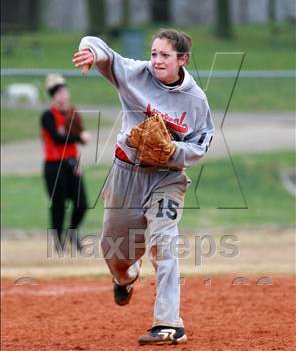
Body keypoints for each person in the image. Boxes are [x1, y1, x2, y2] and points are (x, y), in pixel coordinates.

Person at [72, 29, 214, 345]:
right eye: (154, 53)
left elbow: (203, 142)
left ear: (182, 59)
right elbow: (99, 45)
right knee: (114, 251)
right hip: (126, 173)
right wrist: (91, 52)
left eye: (165, 55)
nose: (157, 60)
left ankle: (169, 323)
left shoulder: (195, 100)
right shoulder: (135, 74)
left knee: (164, 242)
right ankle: (126, 277)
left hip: (168, 177)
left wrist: (174, 152)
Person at [40, 73, 91, 250]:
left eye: (64, 91)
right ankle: (58, 239)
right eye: (58, 92)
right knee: (59, 204)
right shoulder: (48, 115)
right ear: (53, 96)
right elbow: (57, 138)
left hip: (72, 162)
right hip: (54, 165)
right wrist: (79, 136)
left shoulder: (72, 113)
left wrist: (81, 137)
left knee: (82, 203)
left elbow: (78, 137)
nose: (63, 95)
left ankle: (72, 231)